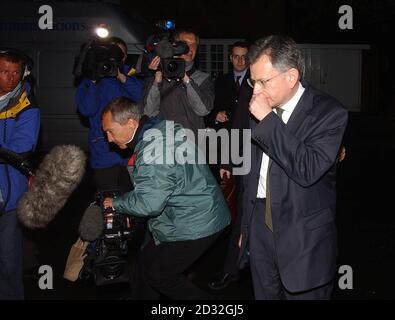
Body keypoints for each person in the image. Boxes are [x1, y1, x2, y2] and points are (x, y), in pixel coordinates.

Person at [239, 35, 348, 300]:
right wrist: (246, 228)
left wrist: (266, 120)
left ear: (291, 76)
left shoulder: (329, 112)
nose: (255, 91)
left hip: (303, 236)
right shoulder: (261, 108)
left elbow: (307, 169)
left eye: (263, 82)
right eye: (253, 82)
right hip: (261, 229)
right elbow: (253, 172)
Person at [102, 97, 230, 299]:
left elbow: (150, 203)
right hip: (190, 213)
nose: (108, 139)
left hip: (196, 222)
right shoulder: (157, 130)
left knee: (160, 275)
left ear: (131, 123)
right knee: (145, 263)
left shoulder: (154, 149)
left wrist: (116, 203)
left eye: (111, 131)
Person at [207, 41, 253, 290]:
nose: (240, 61)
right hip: (231, 150)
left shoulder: (261, 81)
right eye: (235, 57)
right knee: (236, 209)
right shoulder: (223, 81)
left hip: (263, 156)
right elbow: (234, 120)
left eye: (244, 57)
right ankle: (231, 267)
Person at [75, 36, 143, 192]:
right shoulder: (91, 78)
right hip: (103, 152)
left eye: (120, 54)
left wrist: (122, 77)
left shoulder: (130, 76)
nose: (114, 58)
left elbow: (143, 100)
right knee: (108, 202)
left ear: (125, 57)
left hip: (131, 153)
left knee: (132, 201)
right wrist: (93, 81)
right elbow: (86, 109)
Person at [0, 48, 40, 299]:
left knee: (8, 260)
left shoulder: (27, 105)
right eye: (4, 71)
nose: (11, 77)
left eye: (16, 72)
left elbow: (23, 146)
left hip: (10, 198)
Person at [142, 28, 214, 139]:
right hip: (163, 141)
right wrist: (156, 80)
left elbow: (203, 110)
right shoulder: (158, 74)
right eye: (184, 44)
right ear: (174, 45)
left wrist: (186, 78)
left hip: (192, 143)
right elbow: (149, 111)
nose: (190, 48)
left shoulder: (203, 78)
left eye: (193, 45)